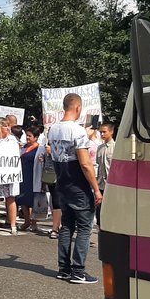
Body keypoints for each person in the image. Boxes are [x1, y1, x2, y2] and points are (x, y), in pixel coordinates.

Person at [48, 93, 102, 284]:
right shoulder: (78, 131)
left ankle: (64, 269)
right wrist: (96, 189)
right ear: (78, 108)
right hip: (78, 185)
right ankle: (78, 271)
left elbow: (53, 158)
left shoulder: (52, 130)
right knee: (85, 227)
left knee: (67, 226)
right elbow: (86, 164)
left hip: (62, 182)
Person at [17, 126, 42, 232]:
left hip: (33, 176)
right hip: (23, 175)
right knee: (22, 199)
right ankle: (27, 221)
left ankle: (34, 222)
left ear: (36, 137)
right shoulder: (23, 147)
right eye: (26, 135)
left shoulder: (40, 149)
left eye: (30, 136)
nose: (27, 137)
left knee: (32, 200)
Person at [95, 122, 116, 227]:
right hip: (101, 184)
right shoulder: (100, 147)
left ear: (111, 132)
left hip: (112, 184)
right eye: (100, 132)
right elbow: (97, 166)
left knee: (111, 210)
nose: (102, 134)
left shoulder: (116, 147)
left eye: (104, 132)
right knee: (99, 211)